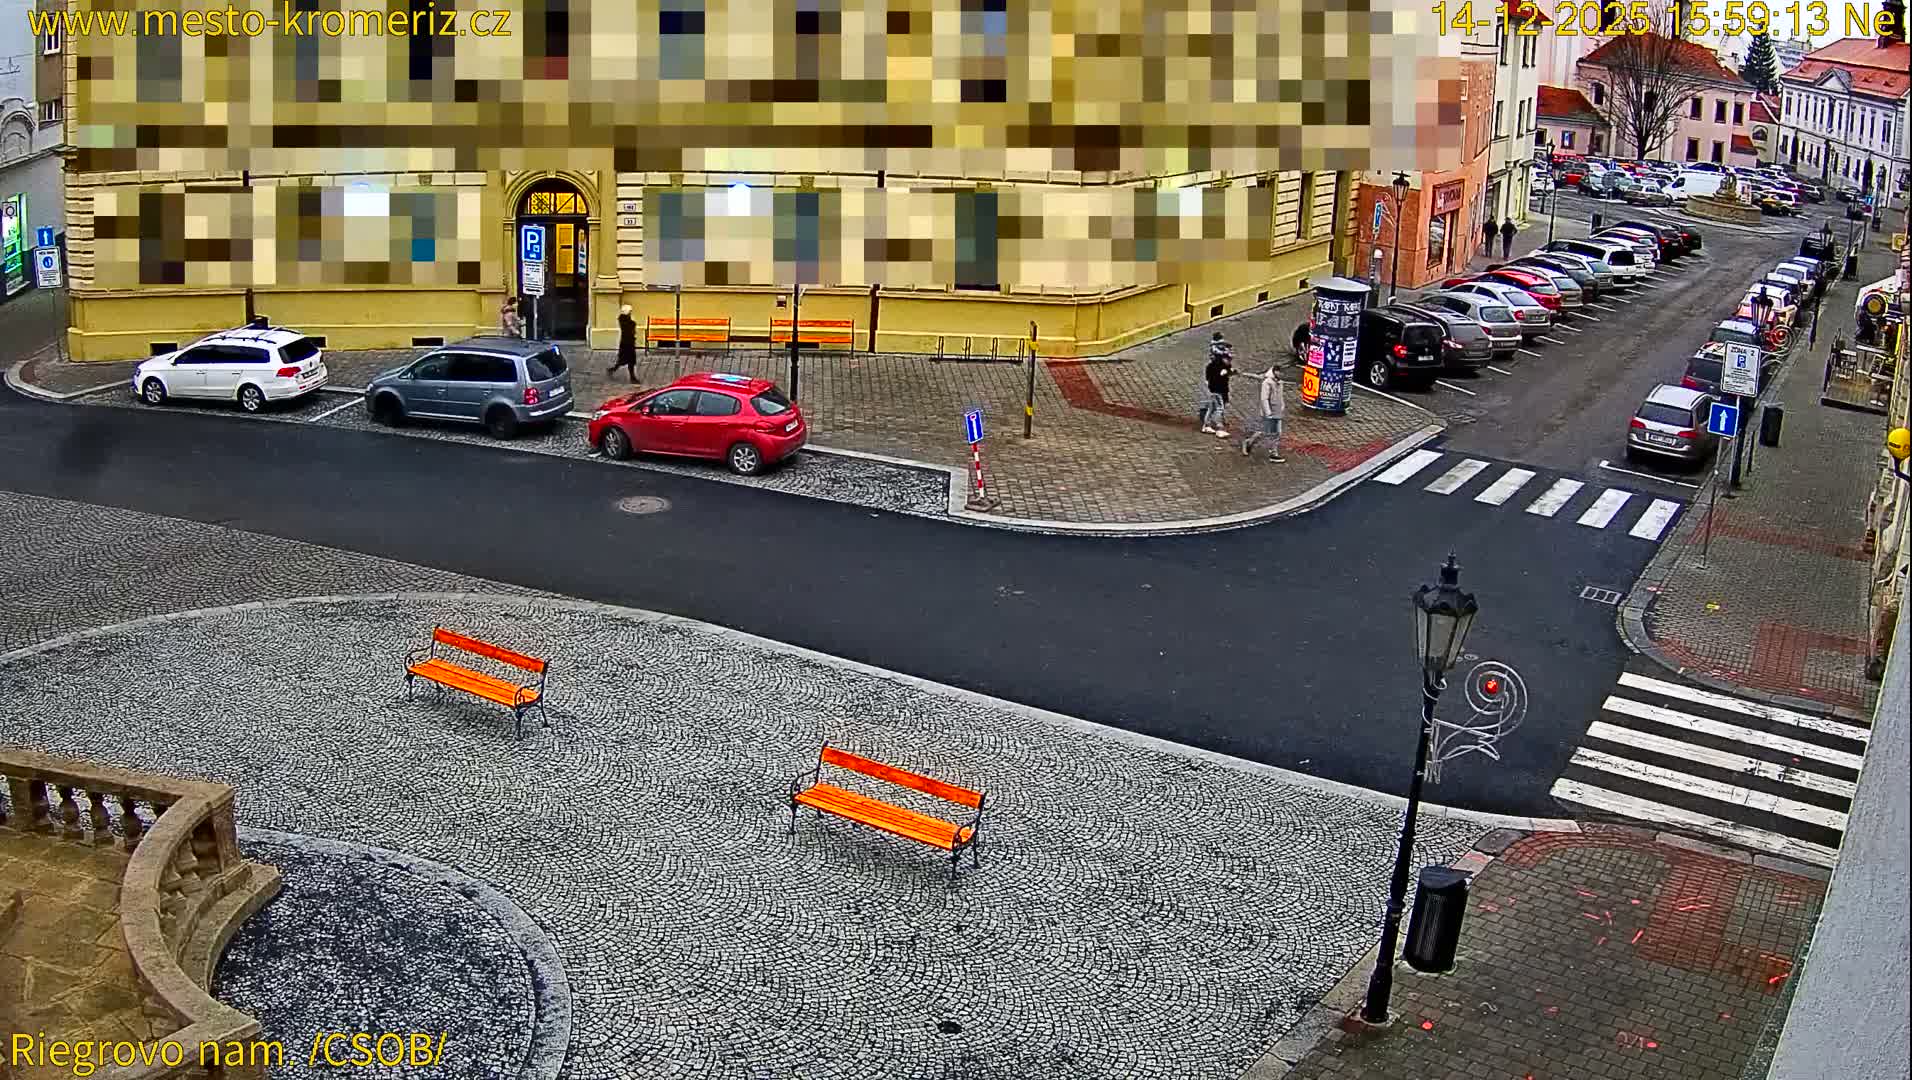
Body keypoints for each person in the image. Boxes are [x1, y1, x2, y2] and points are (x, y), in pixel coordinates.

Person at [1241, 367, 1286, 462]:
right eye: (1280, 372)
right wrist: (1267, 412)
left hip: (1277, 412)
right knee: (1266, 432)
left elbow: (1280, 397)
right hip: (1269, 413)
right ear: (1275, 372)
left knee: (1277, 433)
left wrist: (1282, 407)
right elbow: (1264, 399)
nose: (1282, 374)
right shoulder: (1267, 383)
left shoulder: (1280, 383)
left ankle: (1273, 453)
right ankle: (1249, 442)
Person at [1200, 345, 1234, 437]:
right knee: (1219, 409)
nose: (1229, 361)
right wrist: (1223, 374)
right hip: (1217, 391)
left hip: (1215, 390)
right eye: (1228, 359)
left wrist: (1230, 372)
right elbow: (1213, 379)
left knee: (1211, 408)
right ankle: (1219, 429)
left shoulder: (1220, 366)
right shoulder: (1216, 367)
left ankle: (1206, 426)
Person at [608, 304, 638, 381]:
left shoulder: (626, 319)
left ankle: (632, 377)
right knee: (625, 360)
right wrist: (633, 324)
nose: (631, 312)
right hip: (626, 343)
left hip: (629, 342)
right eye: (630, 311)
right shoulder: (624, 320)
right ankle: (613, 370)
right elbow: (630, 327)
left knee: (629, 361)